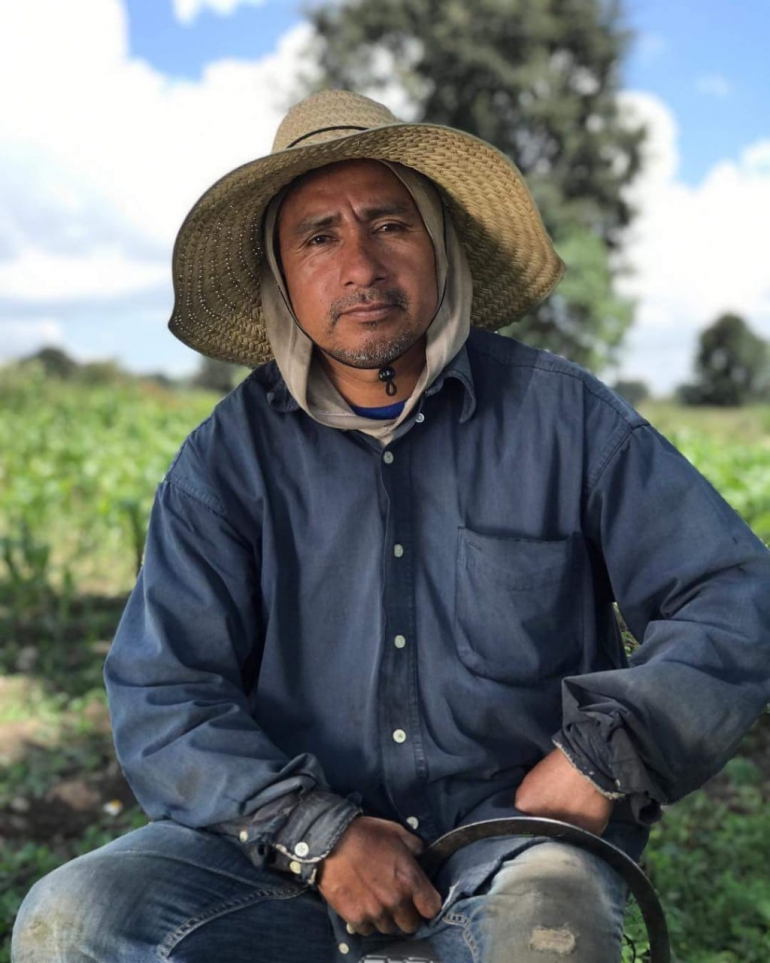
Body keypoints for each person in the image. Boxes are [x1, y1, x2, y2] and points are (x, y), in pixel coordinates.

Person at [12, 90, 770, 963]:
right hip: (284, 861)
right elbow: (165, 691)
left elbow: (731, 594)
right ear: (282, 276)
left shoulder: (564, 418)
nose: (361, 265)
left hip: (512, 846)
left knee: (548, 929)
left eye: (389, 224)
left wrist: (609, 749)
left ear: (438, 245)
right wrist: (318, 833)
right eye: (319, 237)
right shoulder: (226, 460)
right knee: (69, 921)